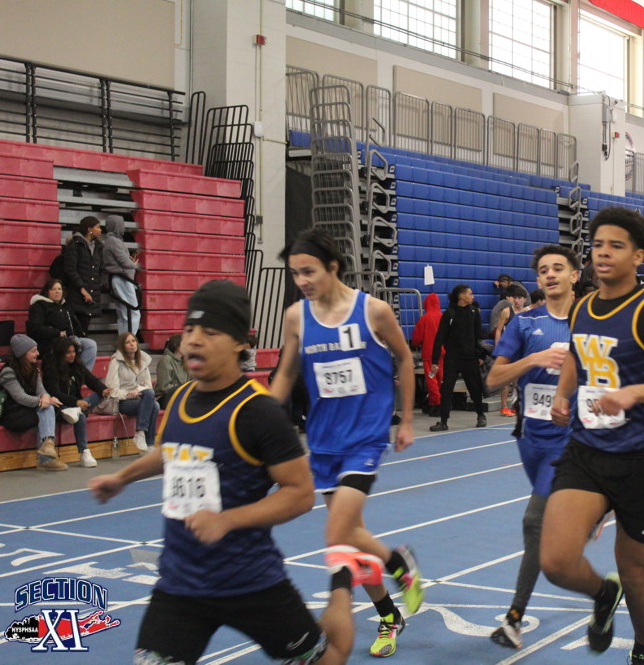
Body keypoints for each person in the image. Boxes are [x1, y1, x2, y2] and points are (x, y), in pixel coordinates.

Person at [89, 279, 384, 664]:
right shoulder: (179, 398)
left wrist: (227, 520)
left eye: (210, 332)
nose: (194, 341)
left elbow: (299, 494)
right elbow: (171, 451)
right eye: (189, 330)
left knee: (330, 658)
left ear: (240, 343)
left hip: (251, 583)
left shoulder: (259, 412)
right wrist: (121, 478)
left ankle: (343, 578)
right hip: (180, 585)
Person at [542, 207, 644, 665]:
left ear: (638, 256)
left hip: (641, 460)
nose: (603, 253)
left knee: (635, 576)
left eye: (615, 246)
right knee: (555, 561)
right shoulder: (582, 307)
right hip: (586, 451)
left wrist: (635, 393)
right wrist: (562, 394)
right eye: (597, 245)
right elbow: (576, 354)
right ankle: (601, 593)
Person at [270, 228, 423, 659]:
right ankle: (391, 604)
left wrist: (406, 419)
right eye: (295, 274)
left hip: (365, 438)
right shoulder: (296, 317)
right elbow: (286, 373)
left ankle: (339, 616)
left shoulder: (373, 311)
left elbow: (405, 357)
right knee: (352, 535)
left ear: (333, 267)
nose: (301, 280)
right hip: (323, 441)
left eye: (308, 271)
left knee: (337, 532)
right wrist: (259, 417)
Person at [485, 244, 579, 649]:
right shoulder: (524, 323)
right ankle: (602, 591)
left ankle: (514, 618)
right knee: (546, 538)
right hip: (530, 439)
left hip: (571, 439)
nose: (550, 274)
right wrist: (534, 359)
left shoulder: (591, 321)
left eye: (558, 268)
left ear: (574, 275)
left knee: (533, 522)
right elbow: (493, 379)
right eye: (543, 270)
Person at [0, 334, 65, 470]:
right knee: (46, 409)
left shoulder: (33, 369)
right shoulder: (7, 372)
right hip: (12, 414)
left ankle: (47, 448)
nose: (37, 353)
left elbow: (41, 390)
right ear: (22, 353)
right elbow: (20, 397)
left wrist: (46, 397)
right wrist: (43, 401)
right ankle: (46, 457)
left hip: (26, 410)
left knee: (49, 408)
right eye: (33, 351)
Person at [42, 336, 111, 468]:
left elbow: (92, 380)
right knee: (80, 416)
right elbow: (55, 393)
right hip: (60, 406)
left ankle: (78, 410)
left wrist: (104, 390)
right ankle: (84, 451)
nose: (72, 355)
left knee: (98, 396)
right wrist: (76, 402)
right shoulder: (51, 368)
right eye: (68, 353)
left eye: (73, 351)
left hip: (76, 405)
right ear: (61, 354)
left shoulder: (77, 365)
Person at [429, 284, 488, 431]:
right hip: (453, 359)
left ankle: (481, 415)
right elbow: (439, 338)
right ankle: (443, 421)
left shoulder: (474, 312)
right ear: (461, 296)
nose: (472, 296)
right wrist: (435, 360)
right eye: (470, 294)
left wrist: (480, 355)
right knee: (446, 389)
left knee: (474, 388)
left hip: (470, 357)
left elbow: (478, 335)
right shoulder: (449, 314)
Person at [105, 331, 159, 453]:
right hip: (122, 401)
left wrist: (137, 391)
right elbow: (112, 390)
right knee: (154, 405)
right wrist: (128, 394)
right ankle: (141, 434)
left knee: (153, 401)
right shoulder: (116, 362)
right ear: (122, 346)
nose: (132, 344)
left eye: (133, 341)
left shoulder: (143, 360)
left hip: (139, 398)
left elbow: (148, 386)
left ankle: (147, 441)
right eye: (128, 342)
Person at [26, 279, 98, 371]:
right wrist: (57, 333)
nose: (57, 291)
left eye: (59, 289)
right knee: (68, 347)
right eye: (53, 289)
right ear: (47, 291)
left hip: (68, 339)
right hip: (50, 342)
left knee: (90, 344)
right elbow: (35, 328)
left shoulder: (65, 306)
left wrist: (80, 334)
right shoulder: (38, 306)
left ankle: (82, 374)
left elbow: (75, 325)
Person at [62, 216, 105, 335]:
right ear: (89, 229)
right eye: (98, 227)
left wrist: (100, 283)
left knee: (84, 329)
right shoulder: (75, 245)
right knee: (77, 329)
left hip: (92, 293)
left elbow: (102, 268)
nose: (100, 230)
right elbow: (70, 269)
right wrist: (82, 288)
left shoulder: (98, 246)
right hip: (76, 294)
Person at [102, 216, 141, 336]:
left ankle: (123, 340)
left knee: (124, 314)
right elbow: (124, 261)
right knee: (133, 313)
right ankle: (129, 340)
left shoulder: (111, 241)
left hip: (119, 278)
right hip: (122, 278)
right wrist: (133, 264)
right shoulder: (114, 241)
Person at [493, 284, 528, 416]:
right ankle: (503, 406)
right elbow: (498, 330)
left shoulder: (526, 313)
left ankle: (514, 405)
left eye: (520, 298)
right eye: (515, 298)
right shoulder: (506, 312)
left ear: (524, 300)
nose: (517, 300)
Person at [411, 292, 444, 417]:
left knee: (431, 379)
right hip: (442, 352)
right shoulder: (443, 317)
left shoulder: (424, 319)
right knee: (439, 378)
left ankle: (436, 403)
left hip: (429, 353)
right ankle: (433, 402)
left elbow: (417, 339)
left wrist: (414, 345)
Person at [155, 334, 188, 409]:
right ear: (176, 346)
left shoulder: (186, 361)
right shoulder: (166, 360)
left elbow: (191, 382)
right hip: (165, 396)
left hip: (182, 394)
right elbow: (164, 387)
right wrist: (182, 389)